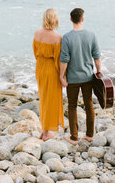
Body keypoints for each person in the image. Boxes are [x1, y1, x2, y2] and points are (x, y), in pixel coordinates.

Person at [59, 7, 101, 144]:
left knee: (72, 106)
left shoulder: (67, 37)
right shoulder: (91, 35)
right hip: (88, 77)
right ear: (82, 19)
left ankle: (74, 137)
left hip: (73, 79)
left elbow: (64, 59)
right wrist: (98, 72)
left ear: (71, 19)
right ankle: (89, 135)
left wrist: (61, 76)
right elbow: (97, 57)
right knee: (89, 104)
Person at [33, 8, 64, 140]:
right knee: (51, 100)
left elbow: (35, 52)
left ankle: (43, 129)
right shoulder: (57, 38)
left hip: (40, 67)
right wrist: (62, 76)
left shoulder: (37, 33)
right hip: (51, 69)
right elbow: (59, 59)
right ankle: (46, 132)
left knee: (43, 98)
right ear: (55, 19)